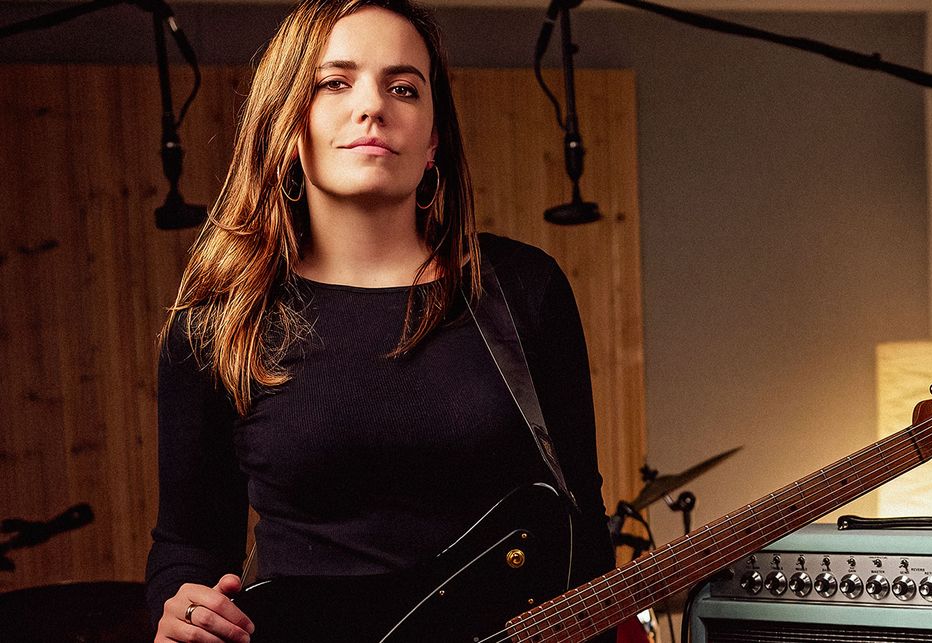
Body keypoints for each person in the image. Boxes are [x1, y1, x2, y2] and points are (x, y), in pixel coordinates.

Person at [145, 1, 615, 640]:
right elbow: (188, 543)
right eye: (334, 82)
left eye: (403, 88)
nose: (373, 107)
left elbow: (581, 529)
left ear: (433, 141)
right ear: (288, 125)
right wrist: (181, 614)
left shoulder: (524, 290)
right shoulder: (219, 321)